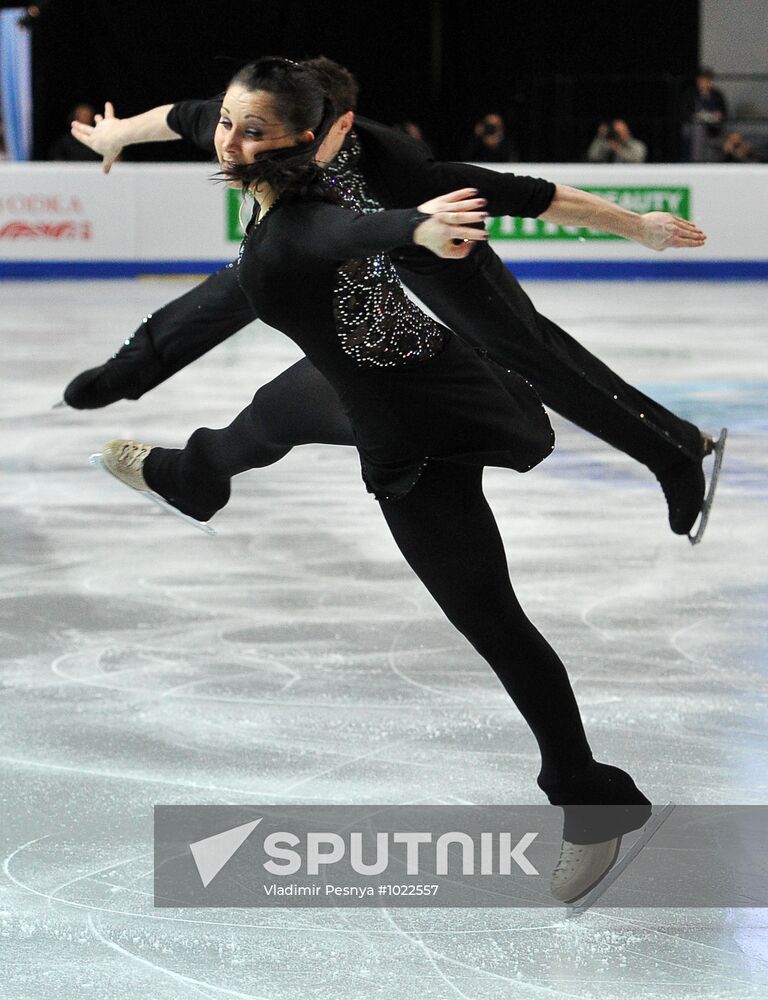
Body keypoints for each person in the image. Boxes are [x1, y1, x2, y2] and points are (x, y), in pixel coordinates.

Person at [94, 57, 654, 903]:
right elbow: (179, 115)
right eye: (227, 123)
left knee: (493, 622)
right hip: (380, 368)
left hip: (417, 421)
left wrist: (418, 230)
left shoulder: (300, 228)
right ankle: (194, 475)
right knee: (278, 409)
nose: (228, 137)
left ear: (305, 140)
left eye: (251, 129)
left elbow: (351, 235)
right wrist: (114, 135)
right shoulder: (267, 157)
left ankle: (590, 796)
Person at [65, 56, 718, 542]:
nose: (268, 142)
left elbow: (532, 195)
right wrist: (118, 135)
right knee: (242, 284)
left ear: (342, 123)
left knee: (534, 357)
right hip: (322, 248)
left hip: (432, 245)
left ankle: (674, 452)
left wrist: (637, 226)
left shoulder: (398, 167)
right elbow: (182, 117)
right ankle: (131, 373)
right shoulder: (264, 125)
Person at [682, 67, 728, 163]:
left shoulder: (717, 95)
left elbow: (724, 114)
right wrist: (697, 116)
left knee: (732, 135)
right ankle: (697, 162)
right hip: (694, 126)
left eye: (707, 80)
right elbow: (685, 114)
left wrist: (718, 116)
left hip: (714, 126)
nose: (704, 83)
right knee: (699, 129)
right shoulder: (690, 94)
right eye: (701, 80)